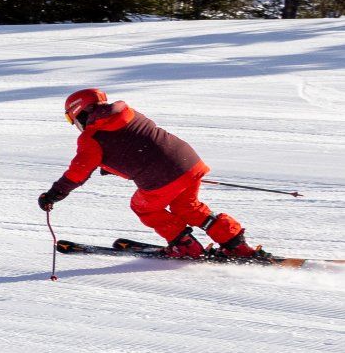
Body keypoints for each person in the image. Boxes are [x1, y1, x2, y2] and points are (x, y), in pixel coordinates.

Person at [40, 88, 269, 261]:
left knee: (143, 206)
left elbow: (77, 173)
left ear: (79, 111)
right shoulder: (128, 113)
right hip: (189, 162)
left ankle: (184, 246)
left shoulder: (91, 138)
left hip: (162, 177)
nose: (74, 124)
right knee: (187, 207)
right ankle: (236, 244)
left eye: (71, 119)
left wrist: (54, 194)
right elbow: (137, 143)